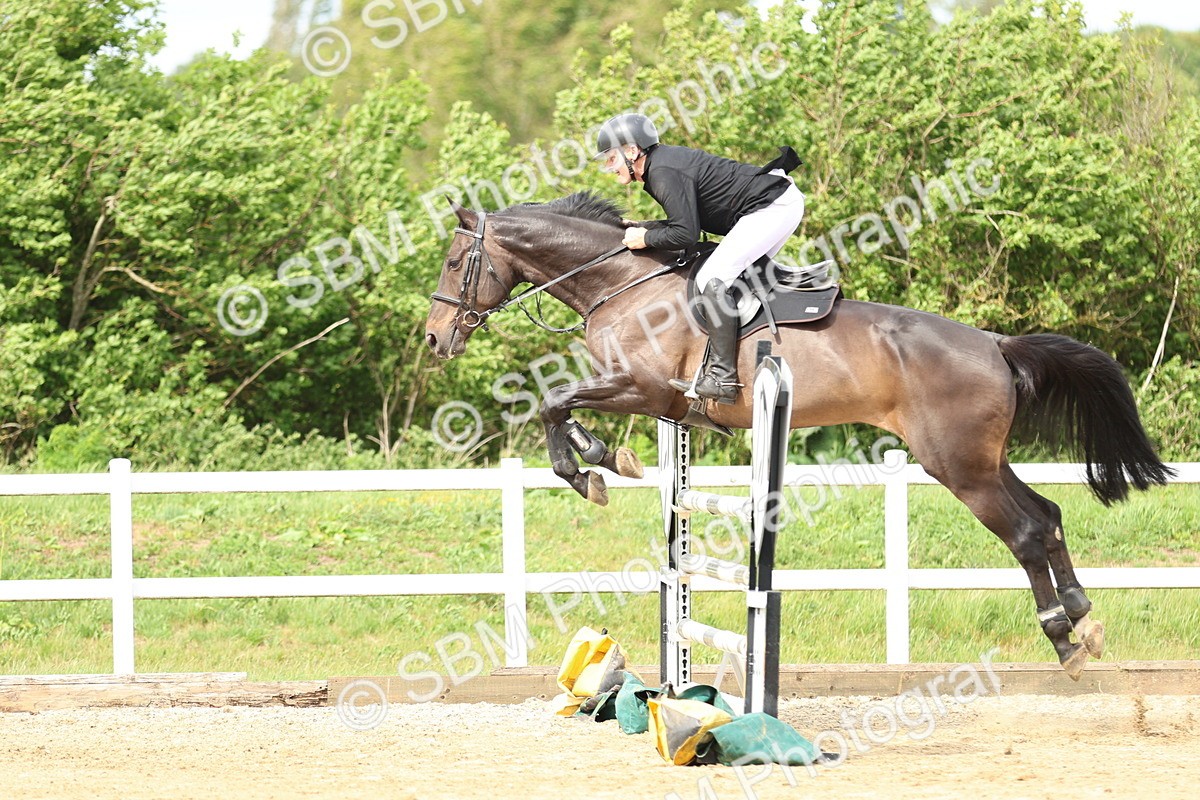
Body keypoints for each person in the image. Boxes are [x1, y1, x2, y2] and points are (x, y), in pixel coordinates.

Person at [594, 113, 804, 404]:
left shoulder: (663, 171)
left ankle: (722, 377)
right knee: (735, 281)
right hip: (775, 203)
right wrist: (645, 227)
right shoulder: (662, 165)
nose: (608, 167)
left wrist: (646, 238)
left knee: (712, 277)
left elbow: (686, 234)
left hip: (771, 207)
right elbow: (684, 221)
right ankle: (736, 361)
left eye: (611, 158)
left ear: (632, 151)